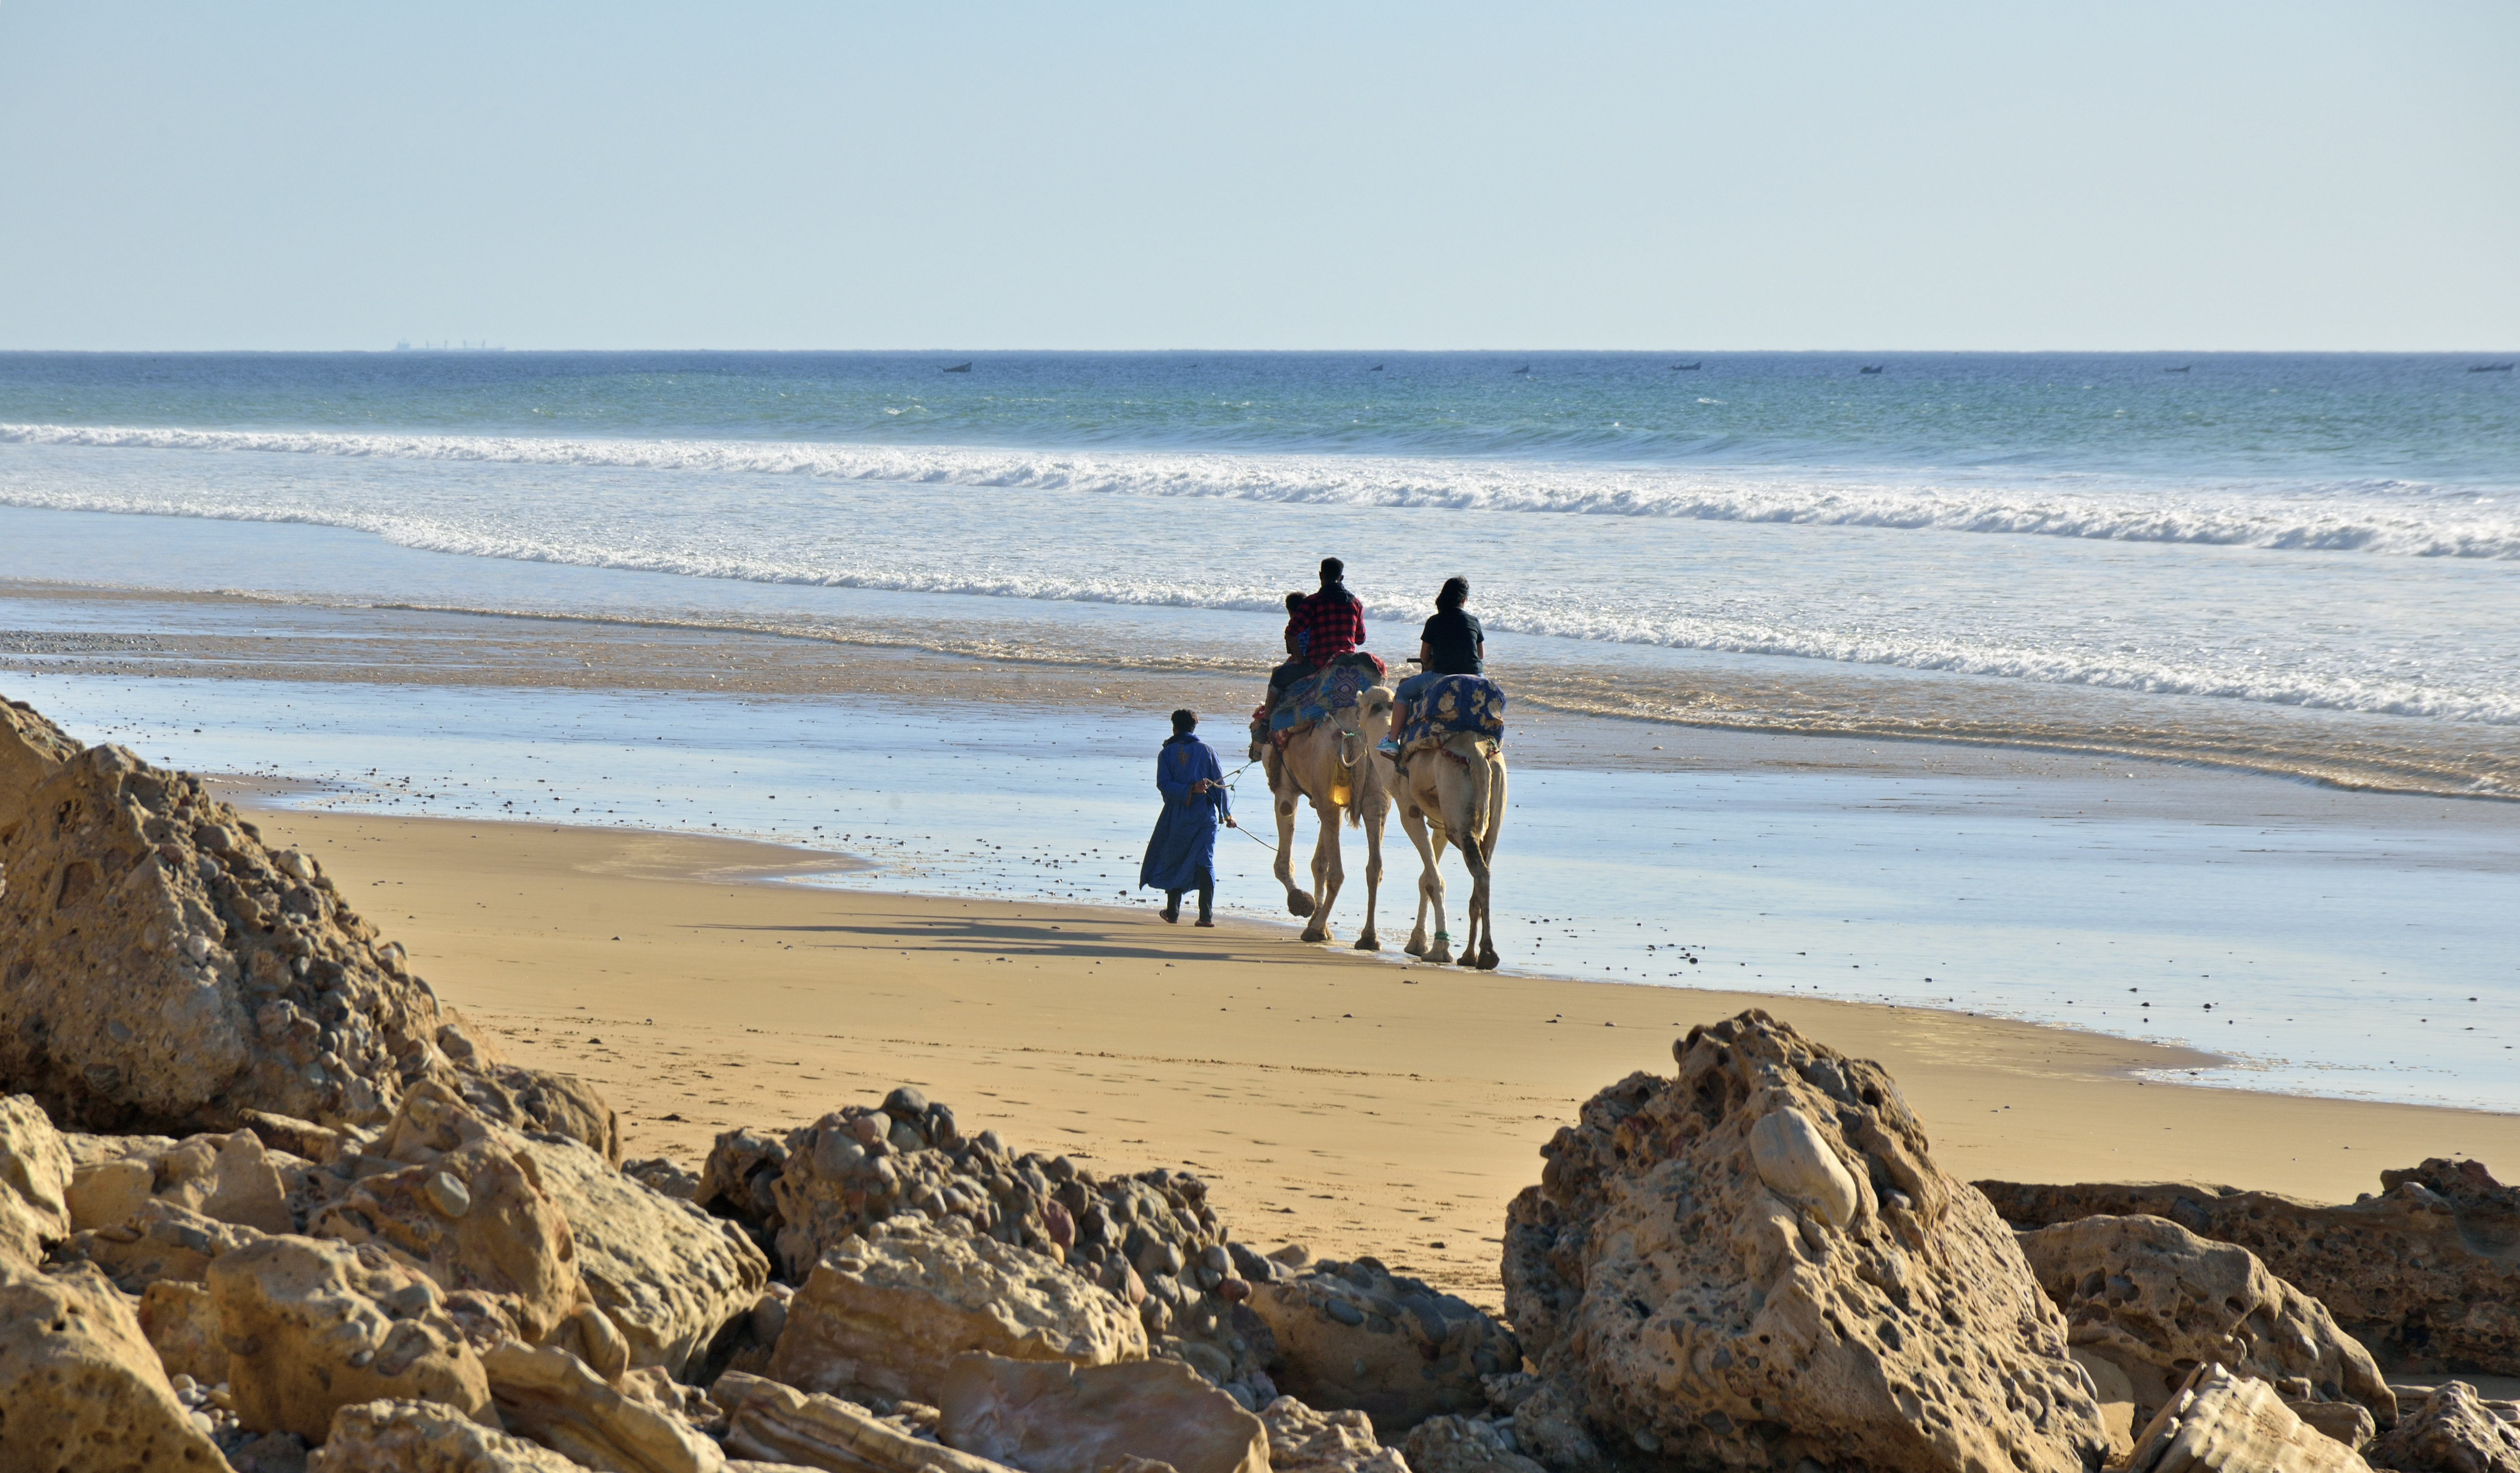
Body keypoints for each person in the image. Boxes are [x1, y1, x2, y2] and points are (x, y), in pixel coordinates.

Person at [1139, 708, 1234, 926]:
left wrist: (1188, 791)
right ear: (1194, 727)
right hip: (1205, 817)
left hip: (1178, 815)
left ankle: (1173, 912)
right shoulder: (1208, 751)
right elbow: (1220, 785)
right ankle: (1205, 917)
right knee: (1205, 861)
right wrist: (1226, 814)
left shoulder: (1166, 754)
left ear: (1174, 728)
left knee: (1176, 858)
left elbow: (1163, 785)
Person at [1385, 576, 1484, 756]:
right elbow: (1481, 655)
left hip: (1442, 677)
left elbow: (1424, 657)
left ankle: (1392, 741)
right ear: (1463, 600)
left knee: (1403, 692)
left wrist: (1433, 660)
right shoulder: (1474, 621)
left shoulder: (1434, 621)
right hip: (1476, 678)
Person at [1267, 557, 1369, 709]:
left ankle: (1266, 720)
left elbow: (1291, 633)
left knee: (1278, 676)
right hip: (1346, 664)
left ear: (1321, 576)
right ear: (1341, 578)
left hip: (1317, 665)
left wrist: (1300, 660)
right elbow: (1360, 639)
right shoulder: (1356, 604)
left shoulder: (1312, 602)